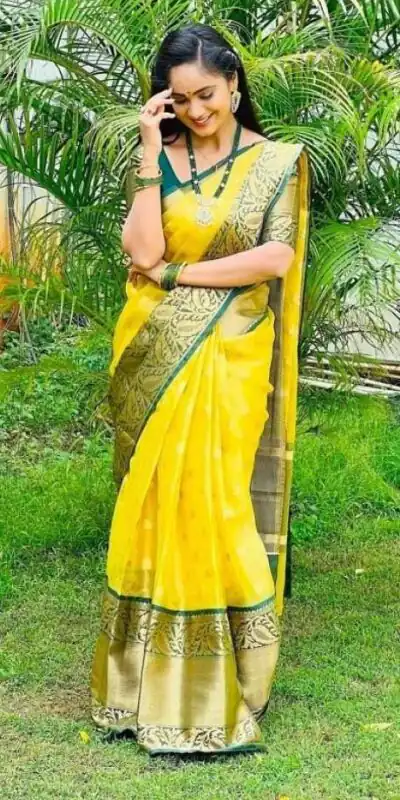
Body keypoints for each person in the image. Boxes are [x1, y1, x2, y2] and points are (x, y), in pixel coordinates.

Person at [90, 22, 310, 756]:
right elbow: (142, 251)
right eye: (180, 99)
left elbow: (274, 258)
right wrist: (148, 150)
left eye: (207, 94)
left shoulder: (274, 163)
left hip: (230, 351)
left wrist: (179, 276)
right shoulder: (161, 156)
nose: (196, 110)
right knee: (152, 503)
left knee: (215, 500)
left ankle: (225, 681)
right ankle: (138, 686)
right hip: (158, 346)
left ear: (235, 85)